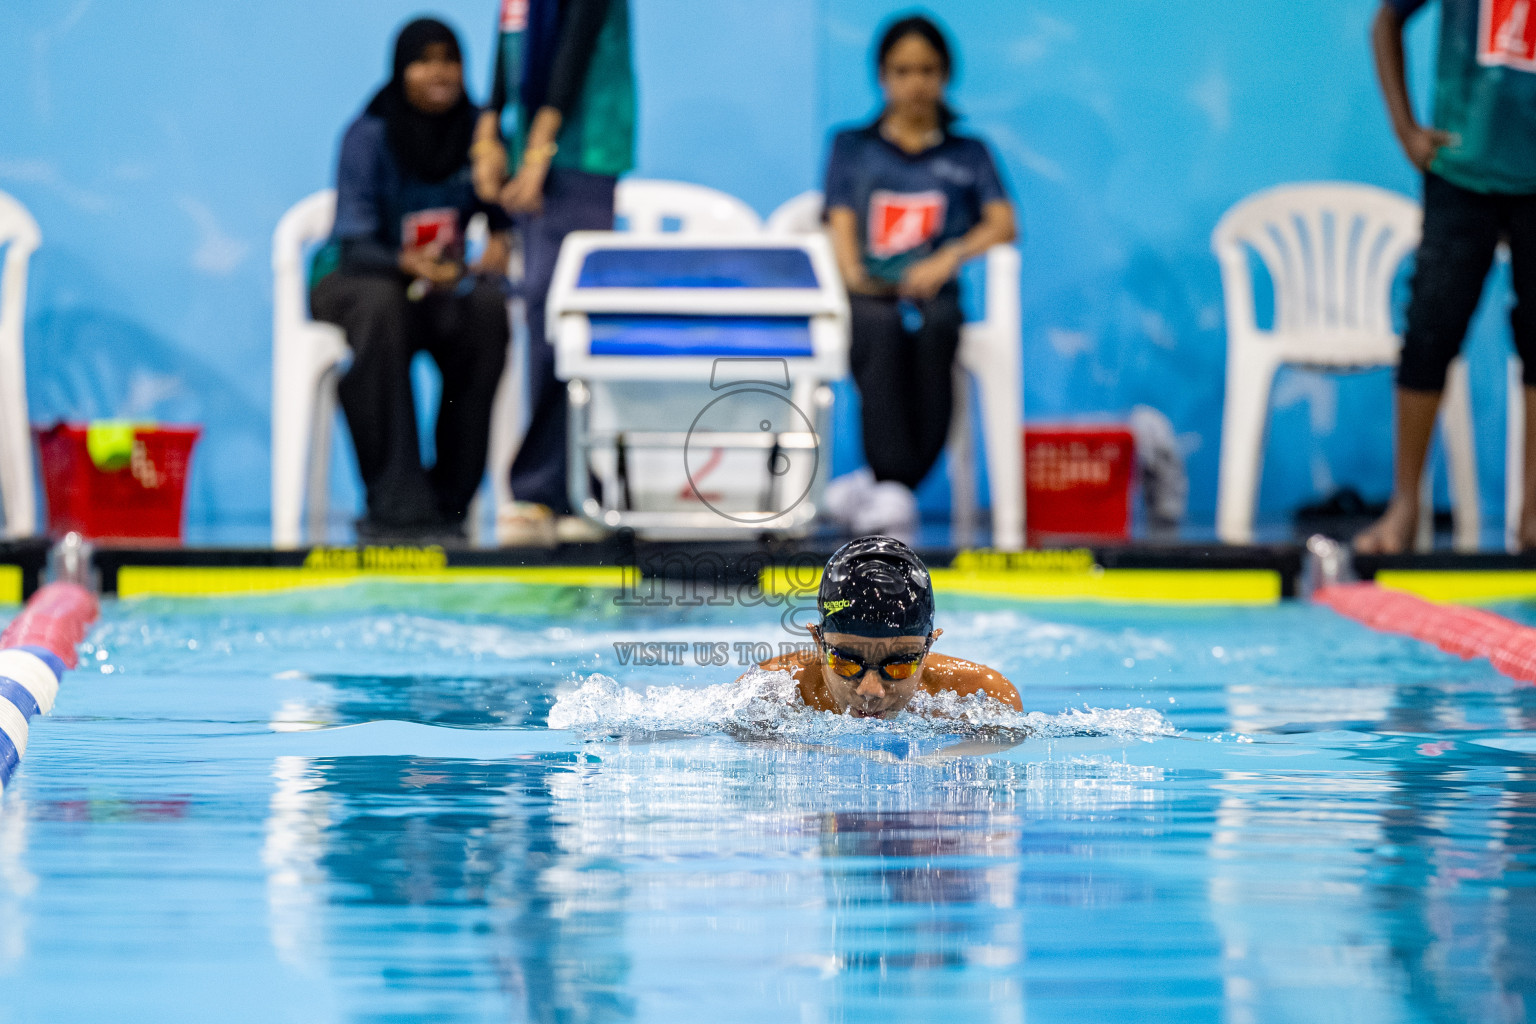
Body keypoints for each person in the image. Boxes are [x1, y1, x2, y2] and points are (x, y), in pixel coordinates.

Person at [311, 18, 512, 543]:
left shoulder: (479, 134)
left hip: (437, 288)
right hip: (358, 280)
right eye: (424, 61)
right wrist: (409, 264)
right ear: (402, 70)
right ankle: (396, 502)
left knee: (488, 312)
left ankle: (450, 499)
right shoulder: (368, 135)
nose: (439, 72)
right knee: (381, 308)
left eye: (450, 59)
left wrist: (501, 237)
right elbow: (352, 240)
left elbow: (497, 212)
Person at [820, 15, 1018, 542]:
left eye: (928, 70)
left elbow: (1002, 223)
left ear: (945, 75)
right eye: (902, 70)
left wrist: (949, 256)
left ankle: (886, 487)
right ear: (882, 76)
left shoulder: (967, 153)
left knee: (937, 330)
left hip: (934, 294)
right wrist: (854, 274)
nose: (916, 83)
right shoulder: (852, 147)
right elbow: (837, 216)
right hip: (869, 295)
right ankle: (888, 486)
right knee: (879, 330)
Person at [1354, 0, 1536, 553]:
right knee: (1430, 330)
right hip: (1461, 172)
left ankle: (1533, 512)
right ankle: (1404, 505)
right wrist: (1407, 131)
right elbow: (1387, 20)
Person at [472, 0, 636, 546]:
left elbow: (575, 43)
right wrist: (489, 131)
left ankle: (554, 487)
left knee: (562, 314)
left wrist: (540, 148)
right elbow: (509, 40)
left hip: (580, 150)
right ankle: (560, 487)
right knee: (543, 319)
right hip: (532, 150)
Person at [752, 536, 1020, 719]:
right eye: (846, 663)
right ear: (818, 644)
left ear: (927, 649)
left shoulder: (983, 698)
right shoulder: (770, 694)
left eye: (898, 667)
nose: (871, 691)